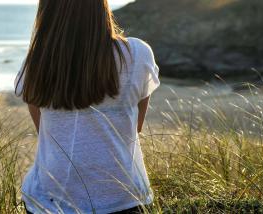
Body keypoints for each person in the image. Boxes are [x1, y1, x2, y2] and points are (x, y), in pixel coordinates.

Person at [14, 0, 160, 213]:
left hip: (49, 201)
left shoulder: (37, 61)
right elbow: (135, 127)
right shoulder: (137, 54)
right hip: (122, 198)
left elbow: (45, 132)